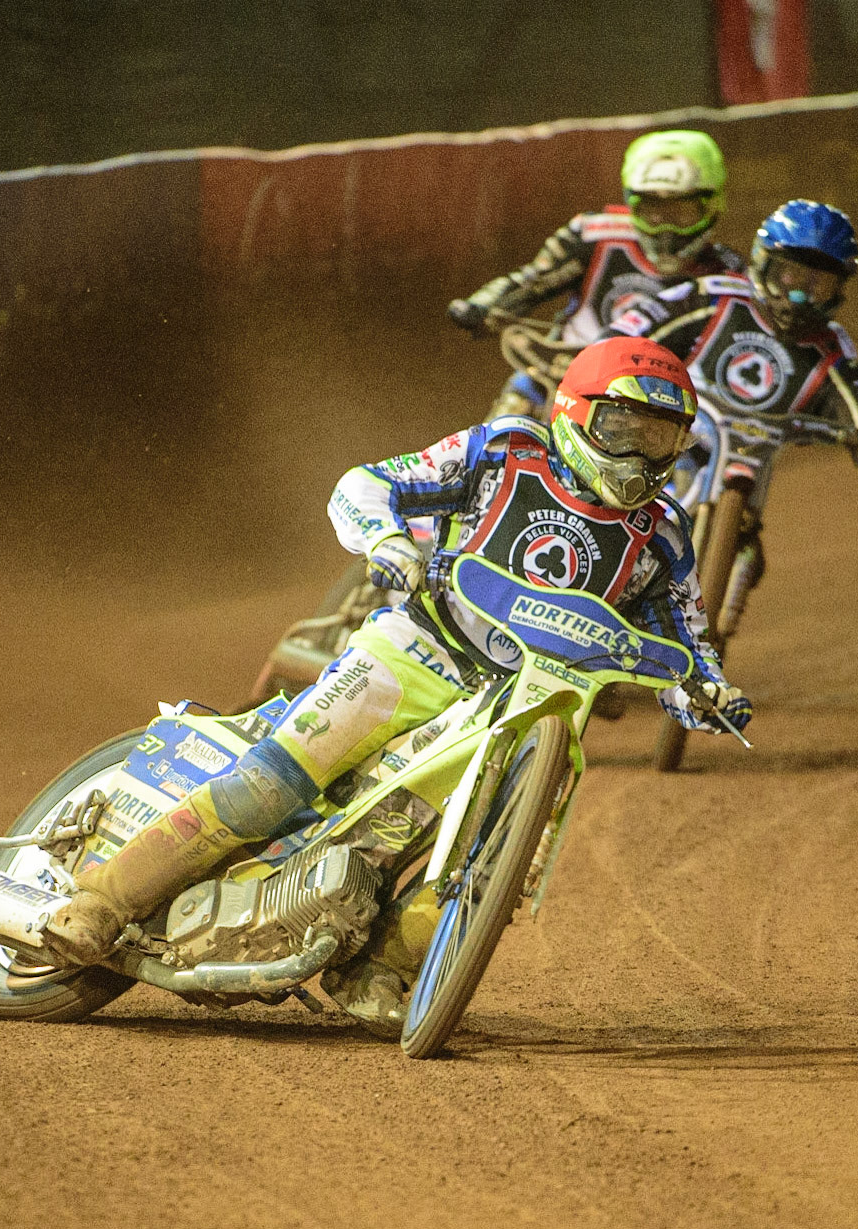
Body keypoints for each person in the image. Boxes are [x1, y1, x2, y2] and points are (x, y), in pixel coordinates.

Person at [41, 337, 750, 1033]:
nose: (638, 456)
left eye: (659, 439)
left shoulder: (663, 534)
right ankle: (103, 902)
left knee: (493, 855)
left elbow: (686, 643)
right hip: (420, 647)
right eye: (622, 429)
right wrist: (386, 541)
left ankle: (382, 969)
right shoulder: (505, 452)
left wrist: (709, 691)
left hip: (529, 700)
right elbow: (368, 484)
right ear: (575, 410)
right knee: (271, 785)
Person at [607, 199, 858, 492]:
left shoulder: (832, 349)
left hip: (745, 479)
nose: (798, 297)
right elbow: (621, 336)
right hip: (658, 446)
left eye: (818, 285)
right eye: (790, 277)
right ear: (762, 263)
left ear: (838, 289)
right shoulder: (715, 296)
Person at [448, 129, 744, 421]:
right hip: (556, 374)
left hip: (651, 403)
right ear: (631, 204)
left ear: (713, 206)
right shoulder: (595, 234)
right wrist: (484, 306)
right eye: (651, 211)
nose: (666, 228)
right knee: (505, 422)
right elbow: (531, 282)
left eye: (681, 213)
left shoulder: (727, 275)